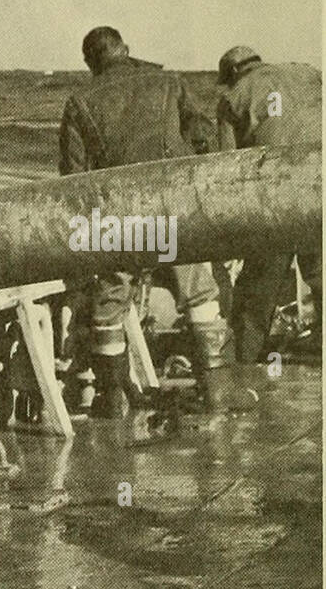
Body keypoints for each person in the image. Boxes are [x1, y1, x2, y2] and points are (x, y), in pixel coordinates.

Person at [59, 26, 226, 416]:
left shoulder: (80, 100)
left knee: (109, 302)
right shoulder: (169, 82)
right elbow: (205, 139)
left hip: (118, 217)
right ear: (127, 50)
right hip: (173, 207)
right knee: (198, 293)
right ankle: (216, 390)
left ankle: (112, 397)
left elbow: (73, 178)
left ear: (89, 63)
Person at [214, 46, 322, 361]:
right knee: (320, 271)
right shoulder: (307, 71)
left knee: (258, 285)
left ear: (232, 72)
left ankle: (245, 359)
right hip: (320, 181)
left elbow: (227, 167)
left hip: (275, 198)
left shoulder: (231, 98)